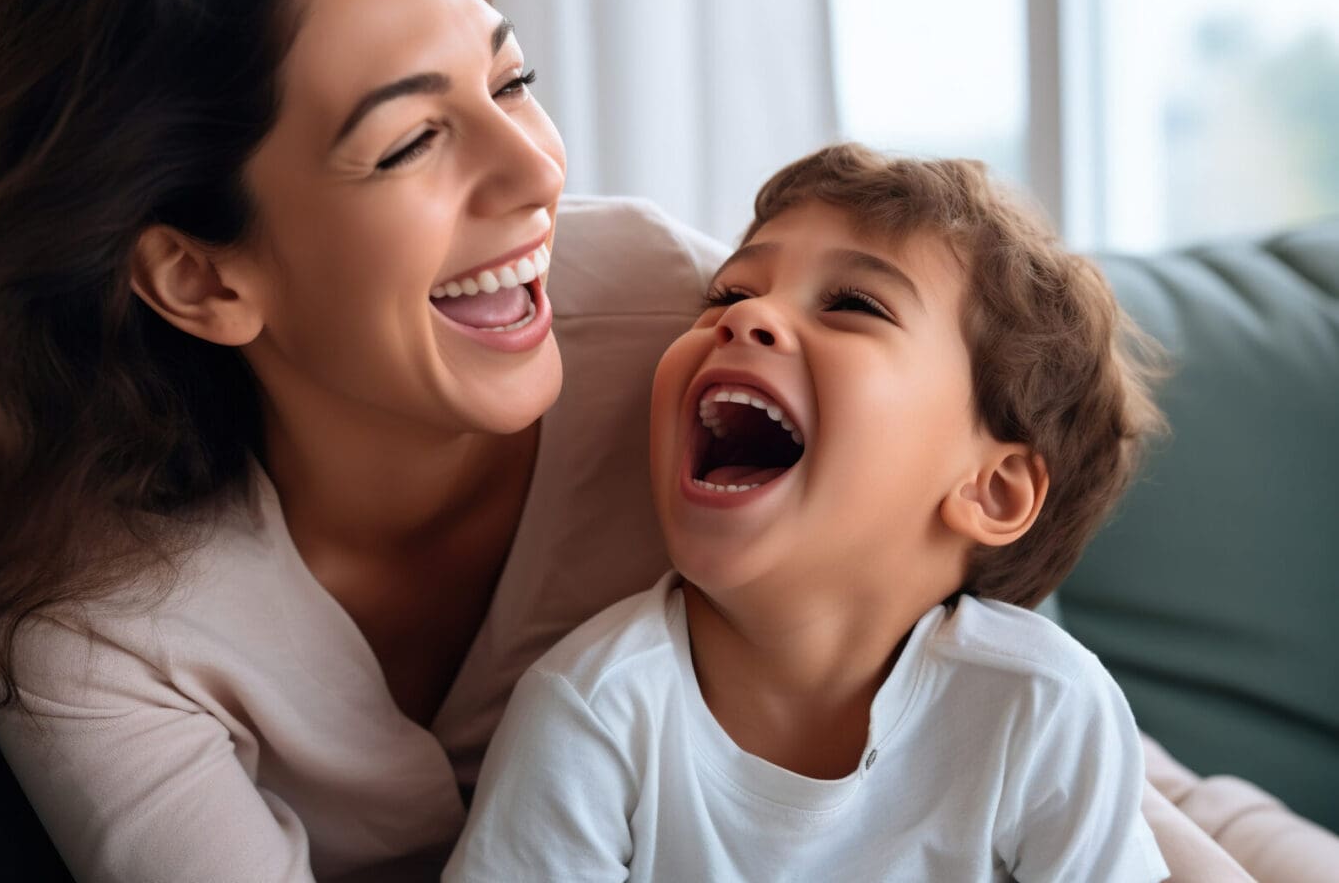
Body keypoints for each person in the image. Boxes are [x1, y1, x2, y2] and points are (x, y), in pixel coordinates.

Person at [0, 0, 1254, 883]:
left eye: (513, 83)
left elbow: (1025, 721)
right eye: (414, 138)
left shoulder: (677, 329)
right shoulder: (87, 614)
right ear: (200, 275)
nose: (534, 172)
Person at [446, 145, 1171, 881]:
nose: (747, 316)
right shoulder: (592, 710)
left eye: (854, 305)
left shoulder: (1041, 708)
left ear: (992, 491)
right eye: (727, 295)